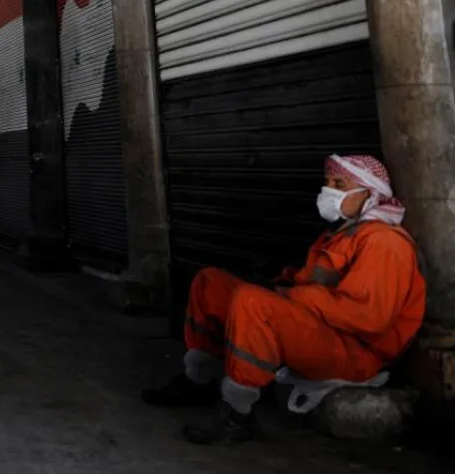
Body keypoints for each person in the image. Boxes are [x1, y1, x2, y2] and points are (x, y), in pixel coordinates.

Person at [143, 154, 425, 444]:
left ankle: (236, 415)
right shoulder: (343, 234)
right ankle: (200, 379)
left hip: (355, 352)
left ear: (370, 192)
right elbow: (309, 279)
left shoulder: (385, 243)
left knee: (252, 302)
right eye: (327, 182)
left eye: (340, 184)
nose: (329, 190)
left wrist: (293, 295)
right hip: (322, 328)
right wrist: (281, 285)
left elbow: (370, 318)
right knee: (210, 282)